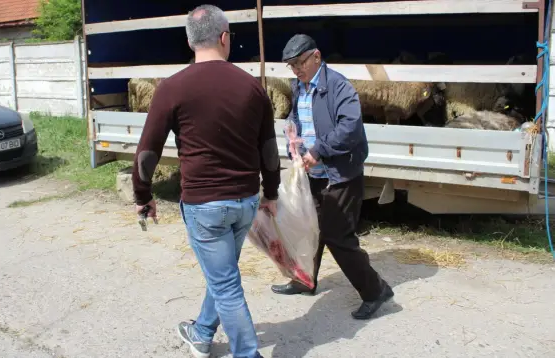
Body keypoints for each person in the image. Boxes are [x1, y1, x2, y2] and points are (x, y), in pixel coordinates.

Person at [130, 4, 280, 358]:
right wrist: (270, 193)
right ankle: (201, 332)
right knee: (224, 272)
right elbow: (269, 151)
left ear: (189, 41)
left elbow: (147, 151)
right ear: (225, 38)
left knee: (225, 283)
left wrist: (143, 195)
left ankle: (247, 354)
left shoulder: (172, 87)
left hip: (204, 204)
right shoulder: (253, 87)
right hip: (244, 201)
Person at [271, 34, 394, 320]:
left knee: (339, 236)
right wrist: (293, 132)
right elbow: (301, 119)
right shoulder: (298, 88)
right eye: (291, 65)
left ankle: (376, 291)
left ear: (316, 56)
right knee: (309, 229)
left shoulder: (339, 86)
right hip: (312, 173)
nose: (297, 69)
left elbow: (350, 127)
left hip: (340, 174)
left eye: (300, 62)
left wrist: (319, 150)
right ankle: (305, 280)